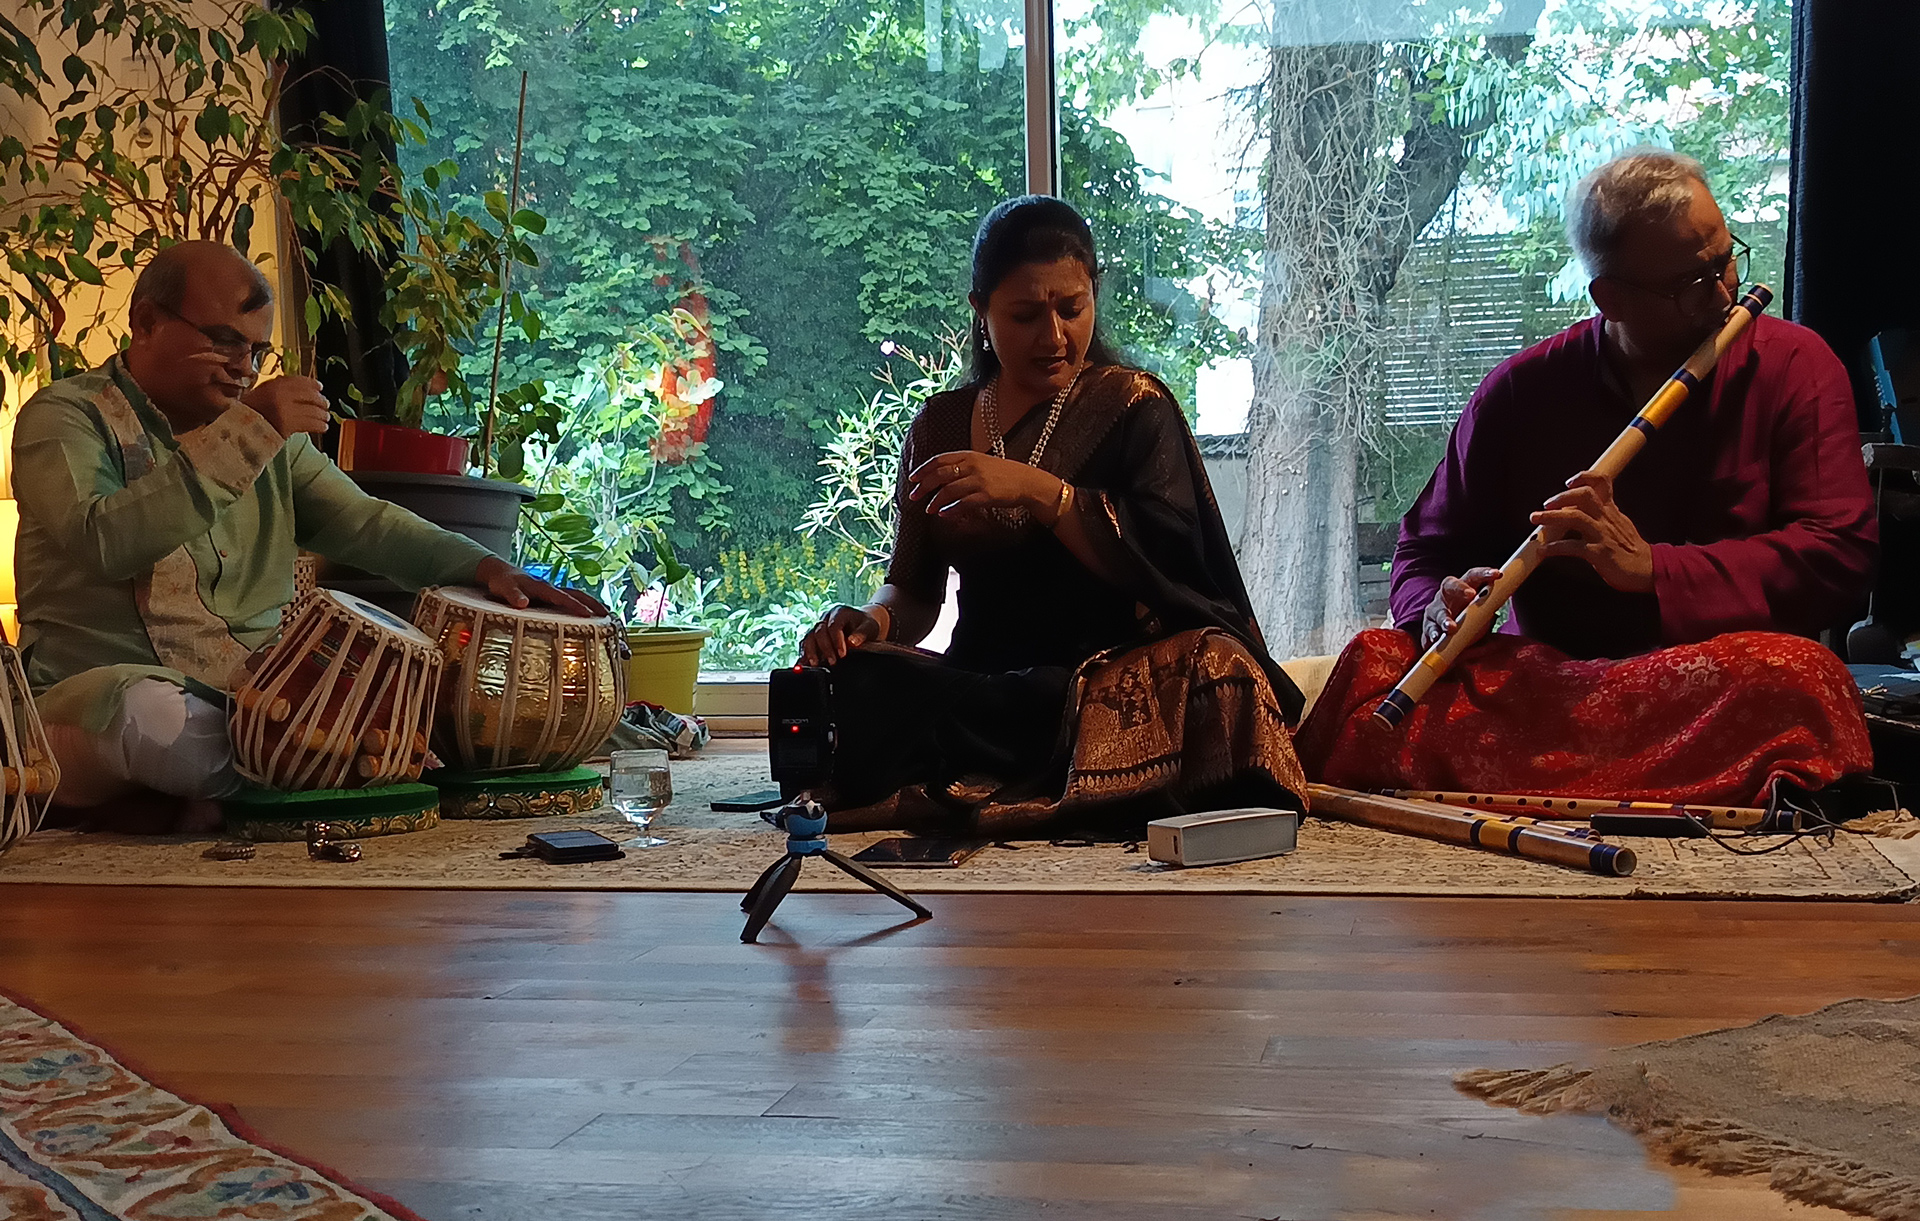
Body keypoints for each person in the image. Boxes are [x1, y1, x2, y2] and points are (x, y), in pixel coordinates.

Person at [1296, 149, 1876, 807]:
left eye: (1725, 261)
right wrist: (1437, 610)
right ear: (1610, 298)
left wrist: (1655, 570)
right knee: (1373, 664)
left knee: (1804, 678)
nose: (1724, 295)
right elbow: (1426, 551)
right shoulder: (1521, 394)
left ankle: (1532, 785)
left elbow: (1841, 553)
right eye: (1691, 283)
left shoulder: (1797, 365)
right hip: (1558, 692)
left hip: (1708, 690)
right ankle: (1633, 784)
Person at [13, 241, 600, 831]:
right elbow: (105, 540)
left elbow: (365, 522)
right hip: (96, 698)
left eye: (257, 350)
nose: (245, 368)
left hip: (256, 702)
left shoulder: (269, 441)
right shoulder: (65, 417)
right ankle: (311, 769)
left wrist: (486, 568)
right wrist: (248, 432)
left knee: (393, 700)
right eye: (224, 341)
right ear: (146, 322)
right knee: (153, 718)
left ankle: (243, 785)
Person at [792, 196, 1306, 835]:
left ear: (1094, 295)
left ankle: (986, 767)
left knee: (1214, 668)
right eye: (1026, 315)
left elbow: (1172, 557)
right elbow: (915, 590)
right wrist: (869, 621)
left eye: (1071, 308)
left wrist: (1045, 494)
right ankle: (1027, 765)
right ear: (981, 311)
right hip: (979, 679)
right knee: (848, 682)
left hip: (1099, 680)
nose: (1054, 336)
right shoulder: (941, 424)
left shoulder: (1132, 405)